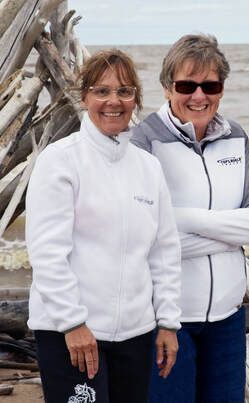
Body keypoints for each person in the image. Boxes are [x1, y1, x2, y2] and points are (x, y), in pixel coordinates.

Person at [25, 49, 182, 403]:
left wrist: (168, 321)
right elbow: (47, 253)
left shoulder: (148, 167)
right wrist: (72, 322)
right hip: (71, 334)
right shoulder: (60, 161)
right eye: (102, 91)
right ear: (84, 97)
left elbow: (164, 250)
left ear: (136, 100)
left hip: (136, 335)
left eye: (125, 91)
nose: (114, 101)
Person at [131, 34, 249, 402]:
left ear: (222, 89)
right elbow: (142, 236)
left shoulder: (235, 137)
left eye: (210, 85)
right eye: (187, 85)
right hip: (166, 321)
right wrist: (230, 234)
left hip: (228, 318)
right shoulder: (144, 142)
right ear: (167, 88)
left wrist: (181, 218)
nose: (199, 95)